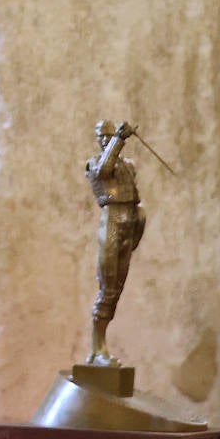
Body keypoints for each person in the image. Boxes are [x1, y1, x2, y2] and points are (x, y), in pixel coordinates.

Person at [84, 119, 146, 366]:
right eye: (103, 136)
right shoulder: (95, 163)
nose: (105, 139)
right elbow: (103, 171)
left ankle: (101, 346)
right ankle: (97, 348)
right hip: (111, 220)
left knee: (117, 288)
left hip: (130, 220)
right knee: (107, 288)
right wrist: (119, 140)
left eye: (109, 135)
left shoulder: (128, 165)